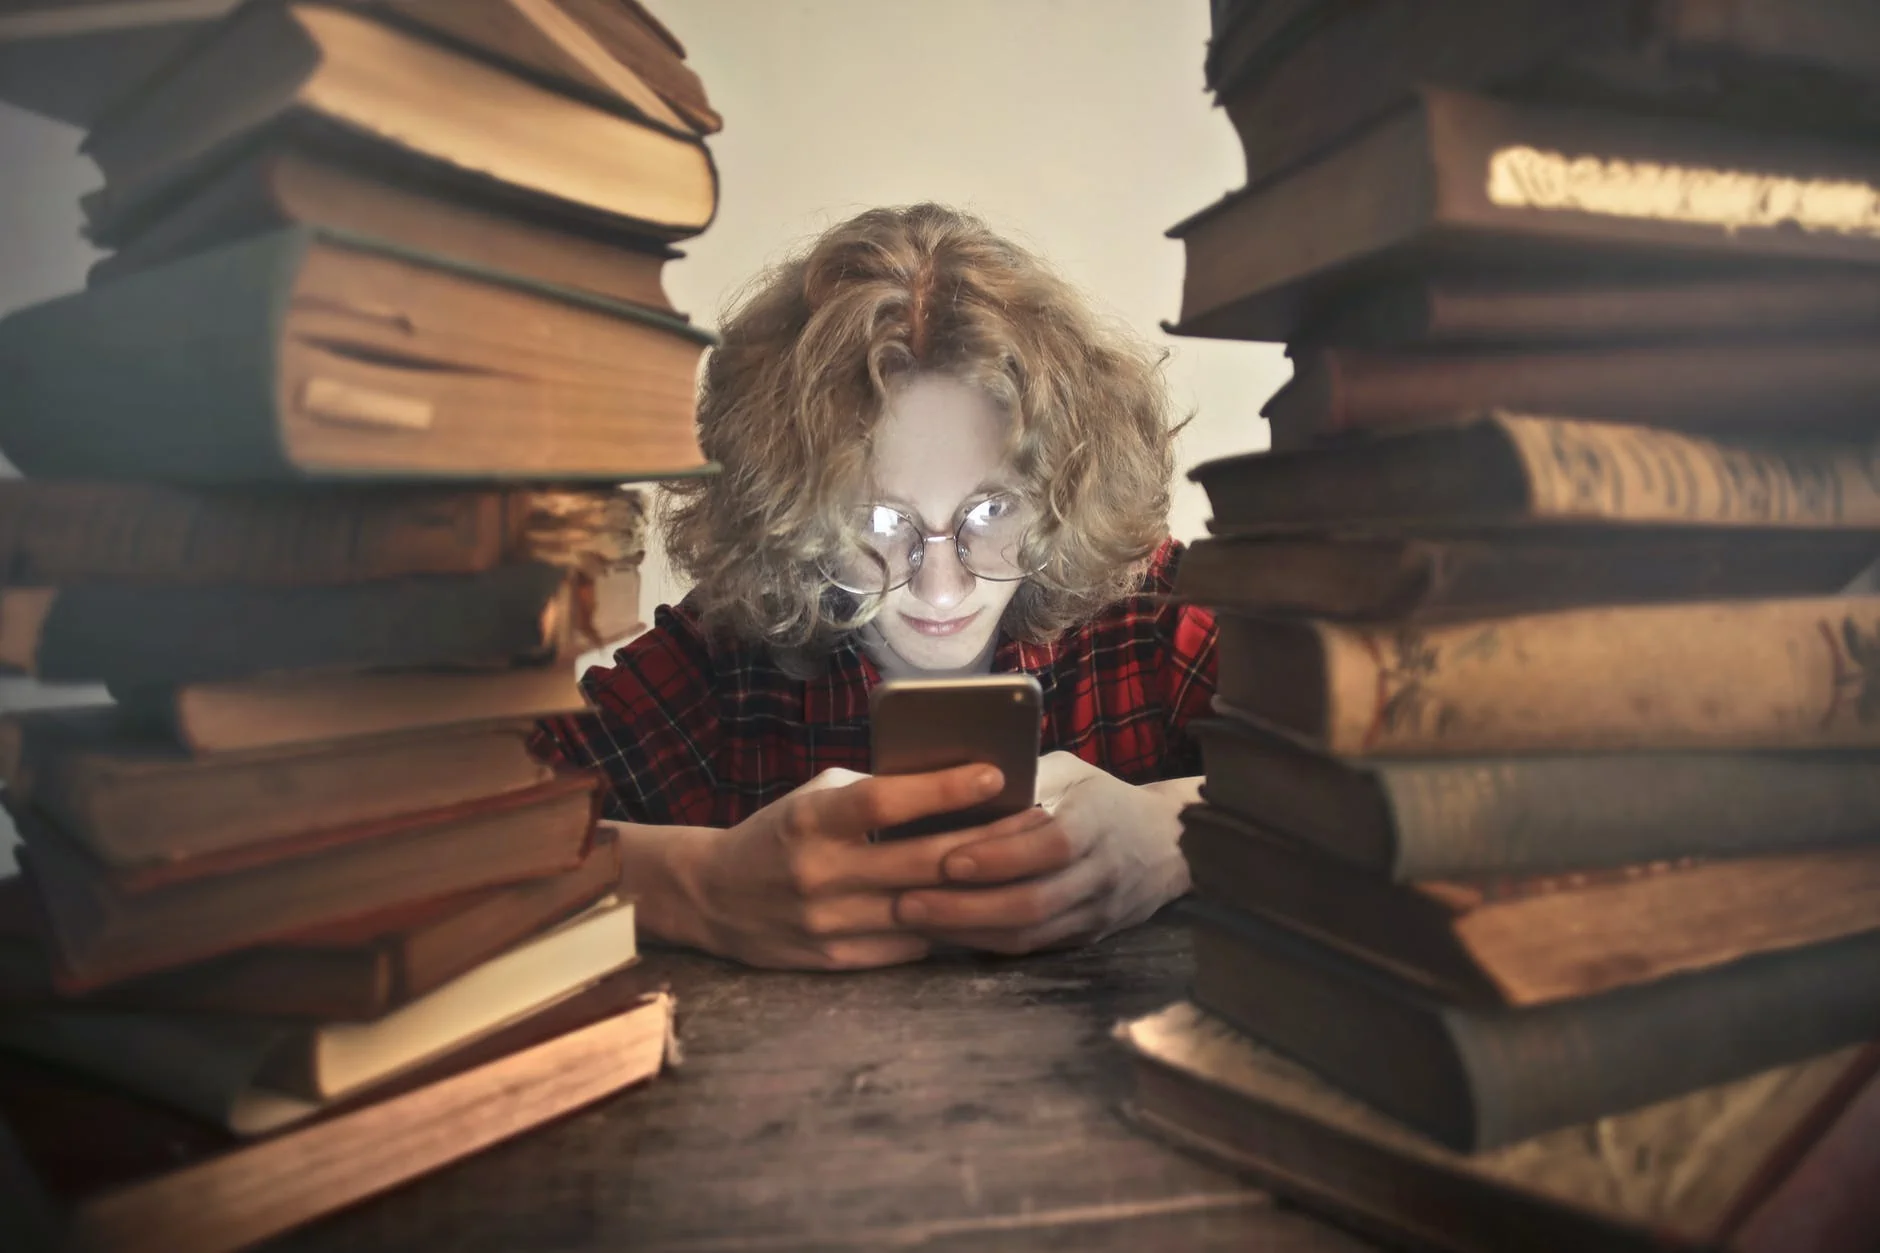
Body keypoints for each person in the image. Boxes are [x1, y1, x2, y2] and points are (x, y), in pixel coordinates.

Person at [534, 203, 1218, 970]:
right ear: (792, 513)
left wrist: (1183, 833)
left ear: (1061, 490)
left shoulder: (1150, 619)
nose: (940, 583)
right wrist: (696, 886)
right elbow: (446, 839)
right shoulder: (717, 666)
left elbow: (1371, 767)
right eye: (877, 520)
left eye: (990, 510)